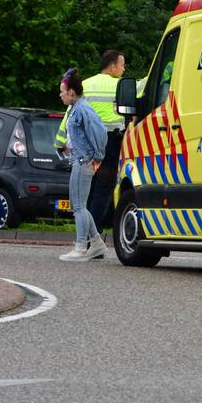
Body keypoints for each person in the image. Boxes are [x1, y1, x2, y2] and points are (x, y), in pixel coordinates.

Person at [58, 68, 108, 262]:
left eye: (62, 91)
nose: (60, 94)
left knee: (79, 206)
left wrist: (96, 156)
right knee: (79, 204)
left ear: (71, 92)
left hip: (83, 161)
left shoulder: (82, 109)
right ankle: (96, 243)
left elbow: (100, 132)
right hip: (80, 160)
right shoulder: (77, 108)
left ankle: (81, 247)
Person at [81, 50, 126, 236]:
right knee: (104, 189)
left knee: (89, 190)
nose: (124, 69)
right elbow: (146, 86)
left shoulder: (85, 84)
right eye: (122, 64)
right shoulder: (121, 86)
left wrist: (61, 141)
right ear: (112, 66)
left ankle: (84, 236)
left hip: (86, 143)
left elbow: (71, 114)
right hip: (110, 142)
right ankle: (94, 236)